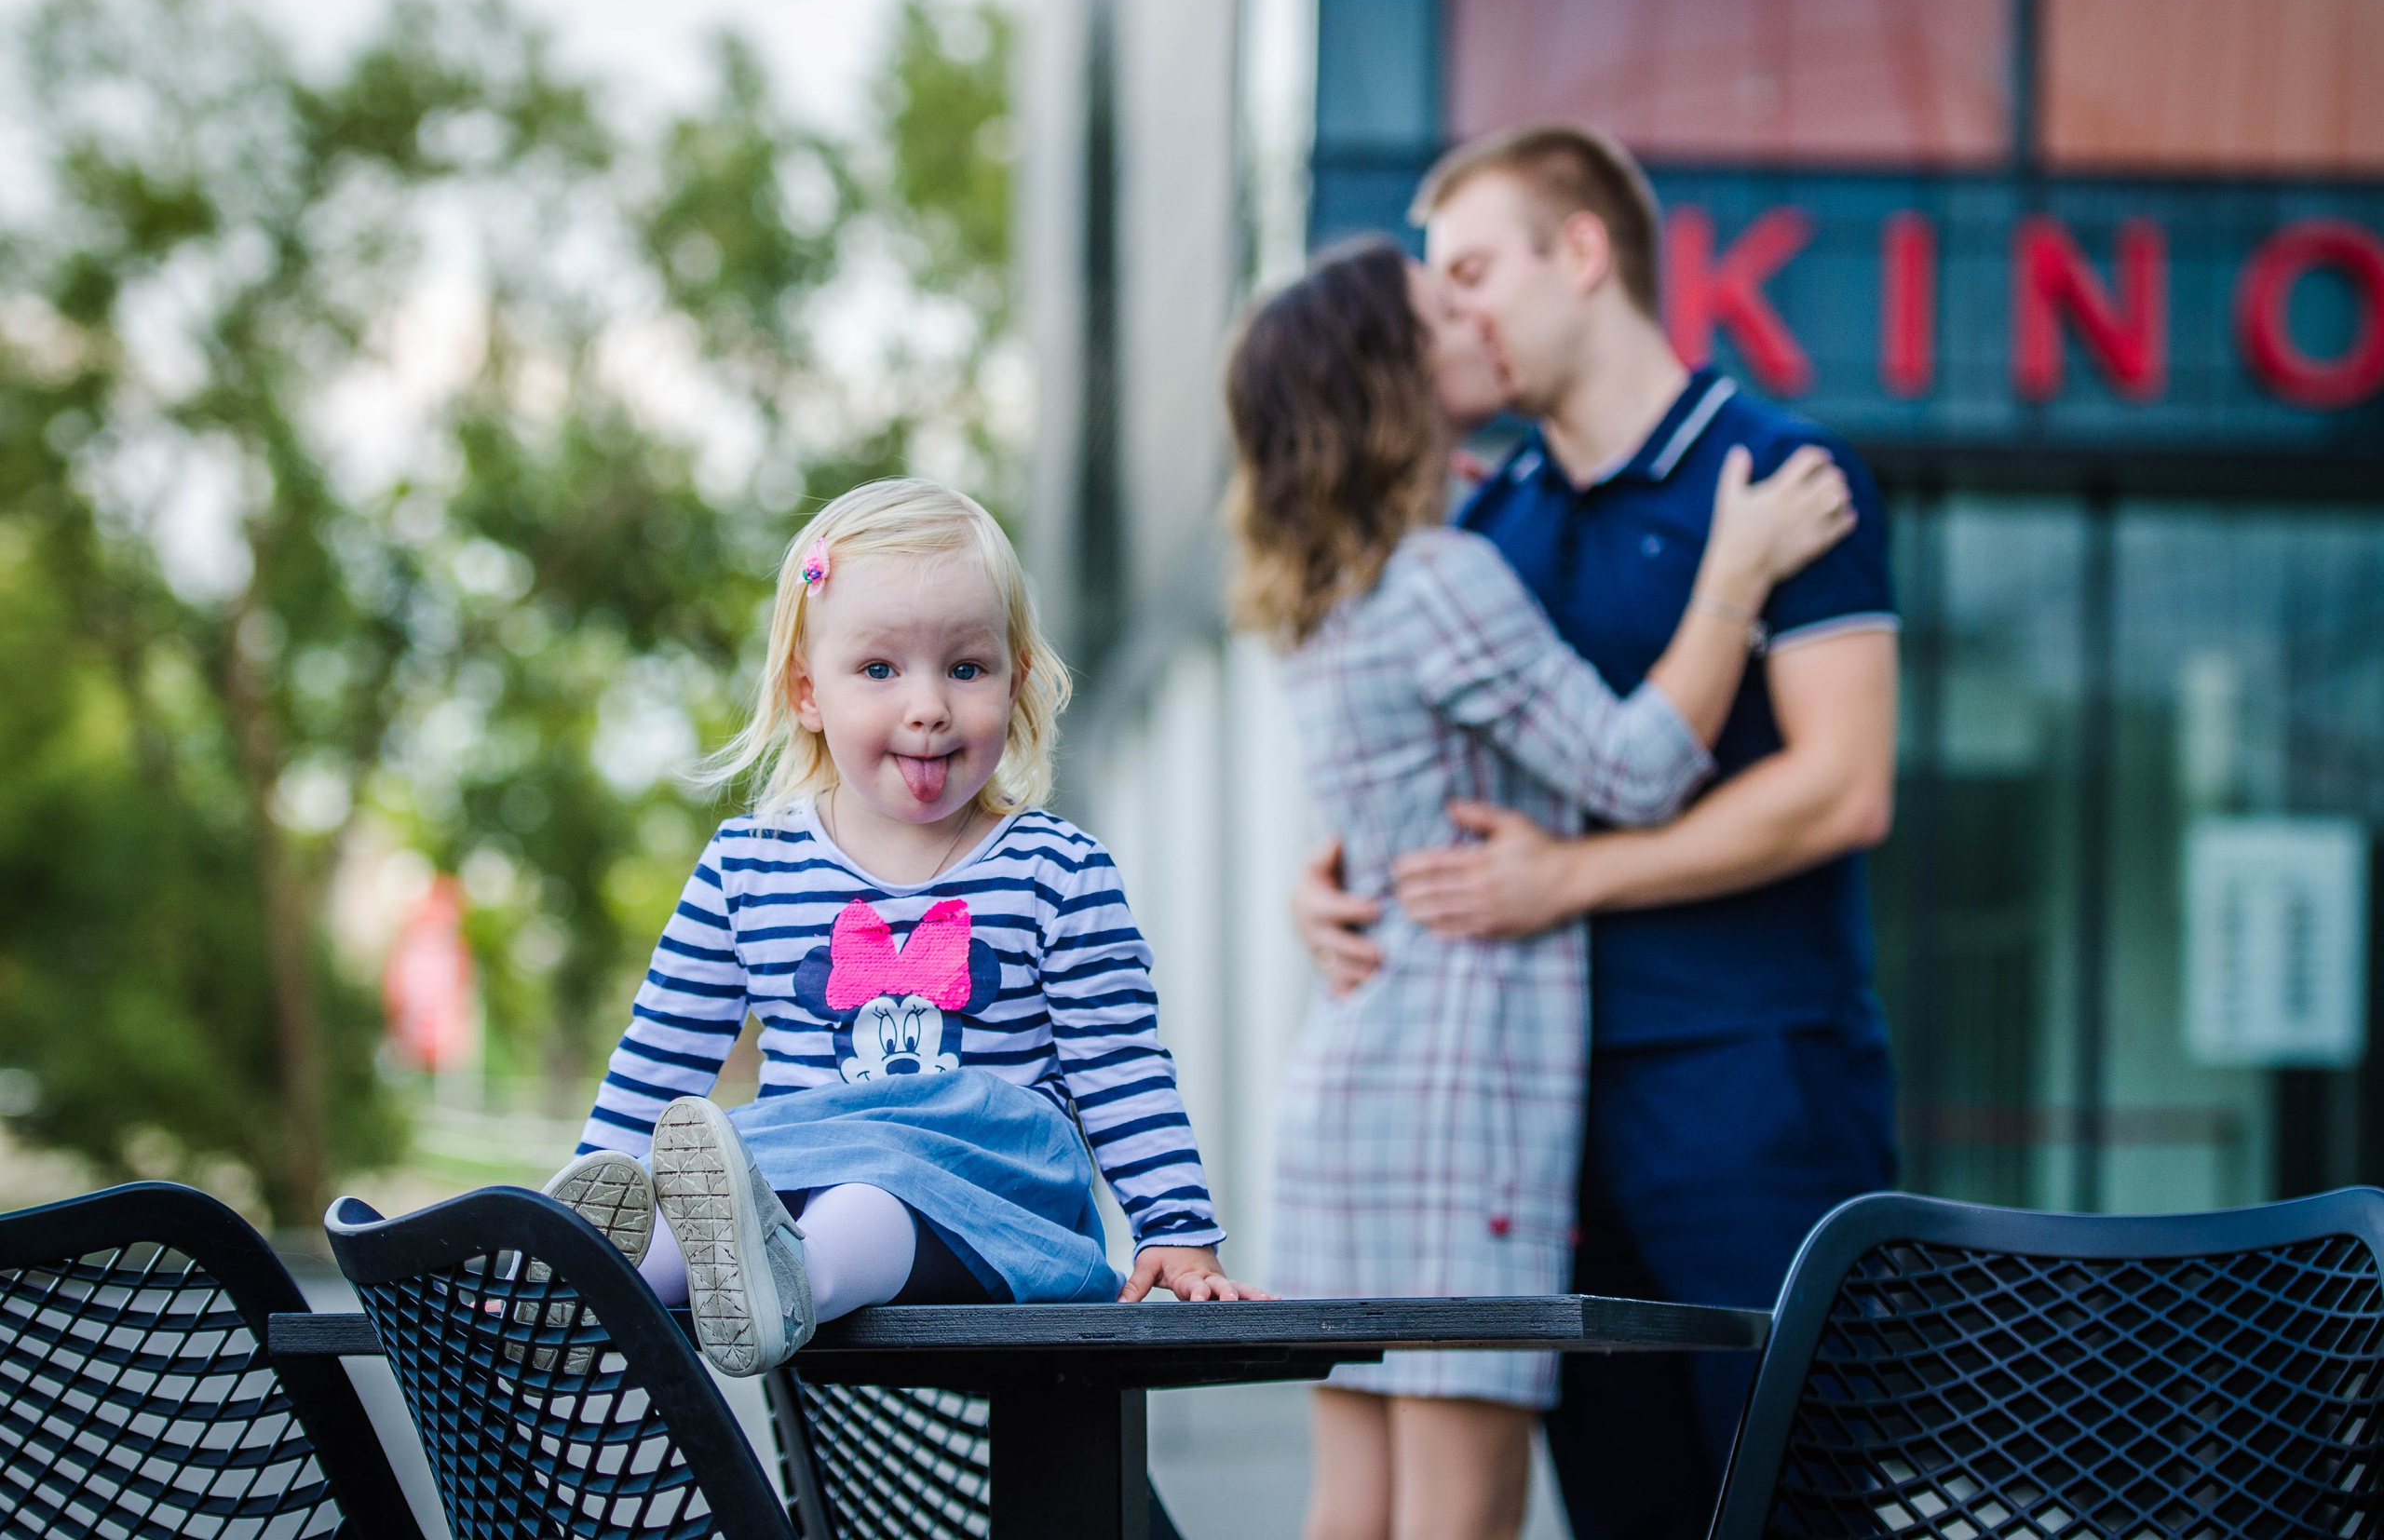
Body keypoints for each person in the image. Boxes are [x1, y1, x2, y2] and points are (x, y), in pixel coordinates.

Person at [1294, 127, 1901, 1538]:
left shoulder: (1780, 472)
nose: (1454, 315)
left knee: (1796, 1505)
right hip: (1533, 1120)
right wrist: (1318, 881)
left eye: (1476, 272)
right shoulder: (1488, 524)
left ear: (1584, 252)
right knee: (1625, 1515)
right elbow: (1421, 754)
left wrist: (1572, 877)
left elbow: (1843, 782)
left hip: (1753, 1093)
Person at [540, 477, 1267, 1380]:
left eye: (965, 668)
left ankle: (790, 1277)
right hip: (794, 1168)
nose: (927, 705)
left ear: (1018, 682)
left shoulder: (1056, 872)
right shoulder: (747, 869)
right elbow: (660, 1054)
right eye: (880, 669)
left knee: (866, 1204)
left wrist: (1178, 1227)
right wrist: (589, 1197)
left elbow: (1118, 1065)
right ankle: (591, 1271)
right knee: (720, 1192)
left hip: (988, 1201)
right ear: (809, 692)